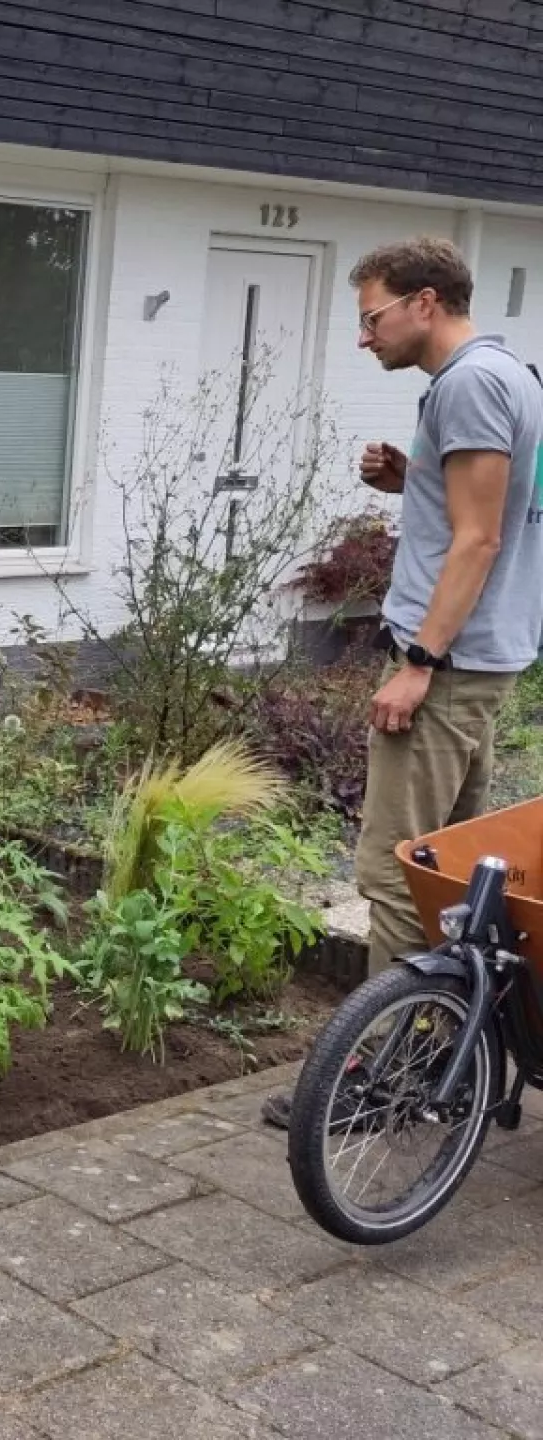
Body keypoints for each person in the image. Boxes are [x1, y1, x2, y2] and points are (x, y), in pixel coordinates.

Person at [264, 236, 543, 1129]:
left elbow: (479, 540)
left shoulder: (467, 383)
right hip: (485, 657)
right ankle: (449, 1054)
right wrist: (412, 479)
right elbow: (485, 509)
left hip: (449, 666)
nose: (364, 336)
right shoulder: (506, 376)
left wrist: (417, 664)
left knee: (396, 874)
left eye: (371, 316)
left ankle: (383, 1082)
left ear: (425, 302)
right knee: (456, 881)